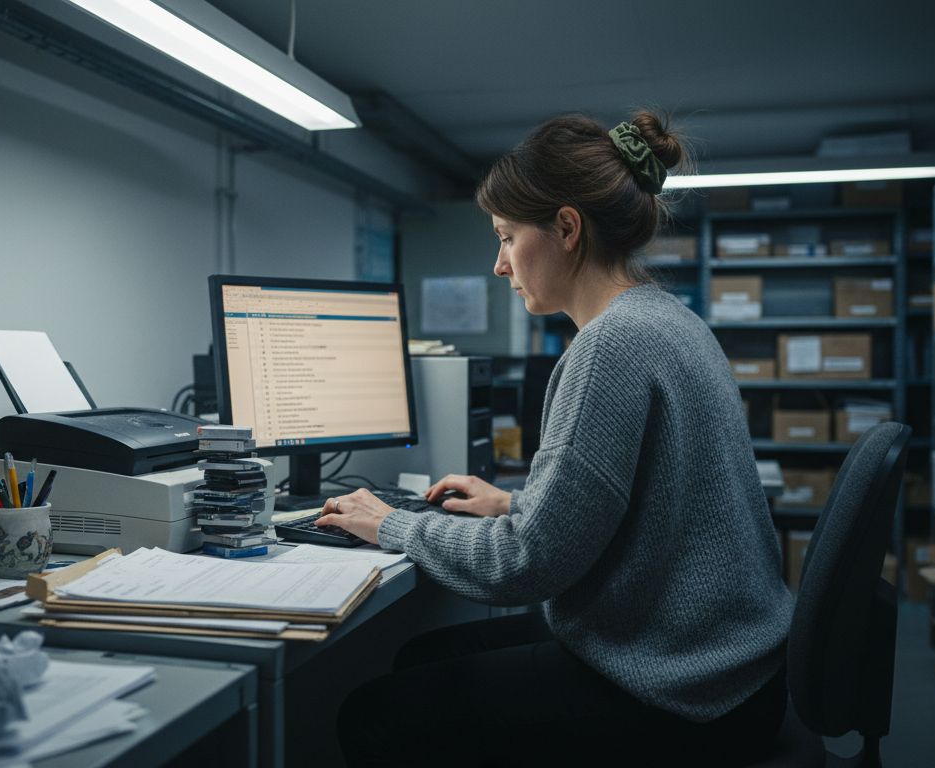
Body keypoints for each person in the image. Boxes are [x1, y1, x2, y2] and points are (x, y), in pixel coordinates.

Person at [316, 112, 794, 766]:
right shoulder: (668, 321)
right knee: (423, 657)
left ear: (567, 229)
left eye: (509, 238)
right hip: (730, 669)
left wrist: (389, 523)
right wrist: (517, 504)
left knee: (374, 715)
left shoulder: (611, 348)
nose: (499, 265)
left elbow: (525, 565)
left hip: (679, 690)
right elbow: (658, 501)